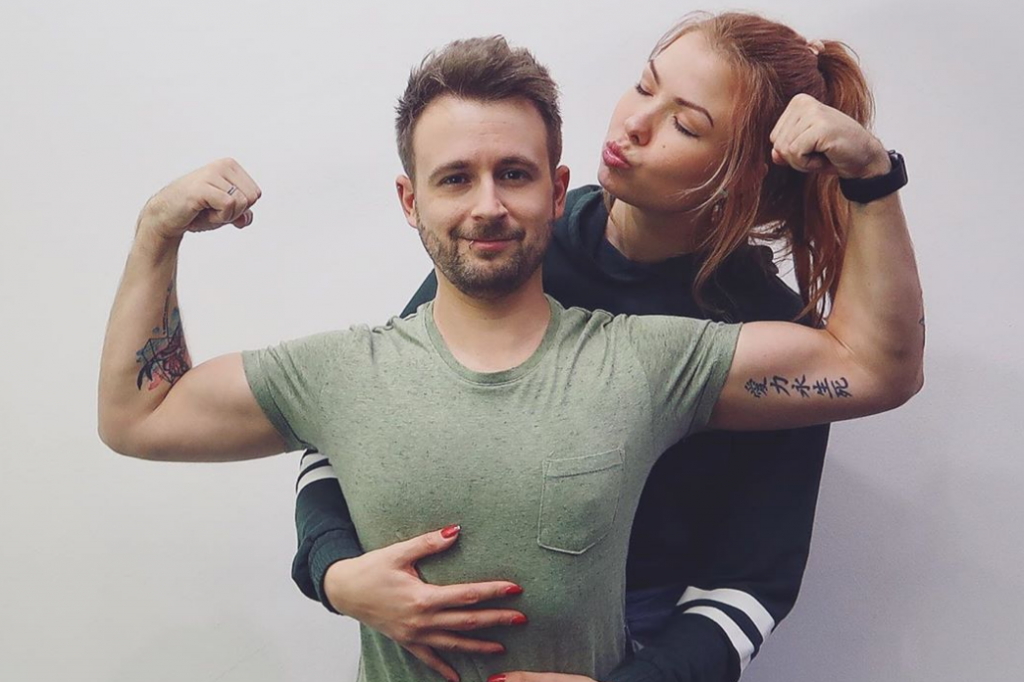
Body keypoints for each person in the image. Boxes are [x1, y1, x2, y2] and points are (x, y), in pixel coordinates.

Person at [97, 28, 923, 682]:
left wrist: (872, 177)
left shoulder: (703, 348)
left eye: (686, 122)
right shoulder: (494, 256)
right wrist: (334, 568)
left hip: (635, 633)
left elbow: (758, 570)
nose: (633, 124)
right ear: (412, 201)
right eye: (645, 84)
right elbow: (364, 419)